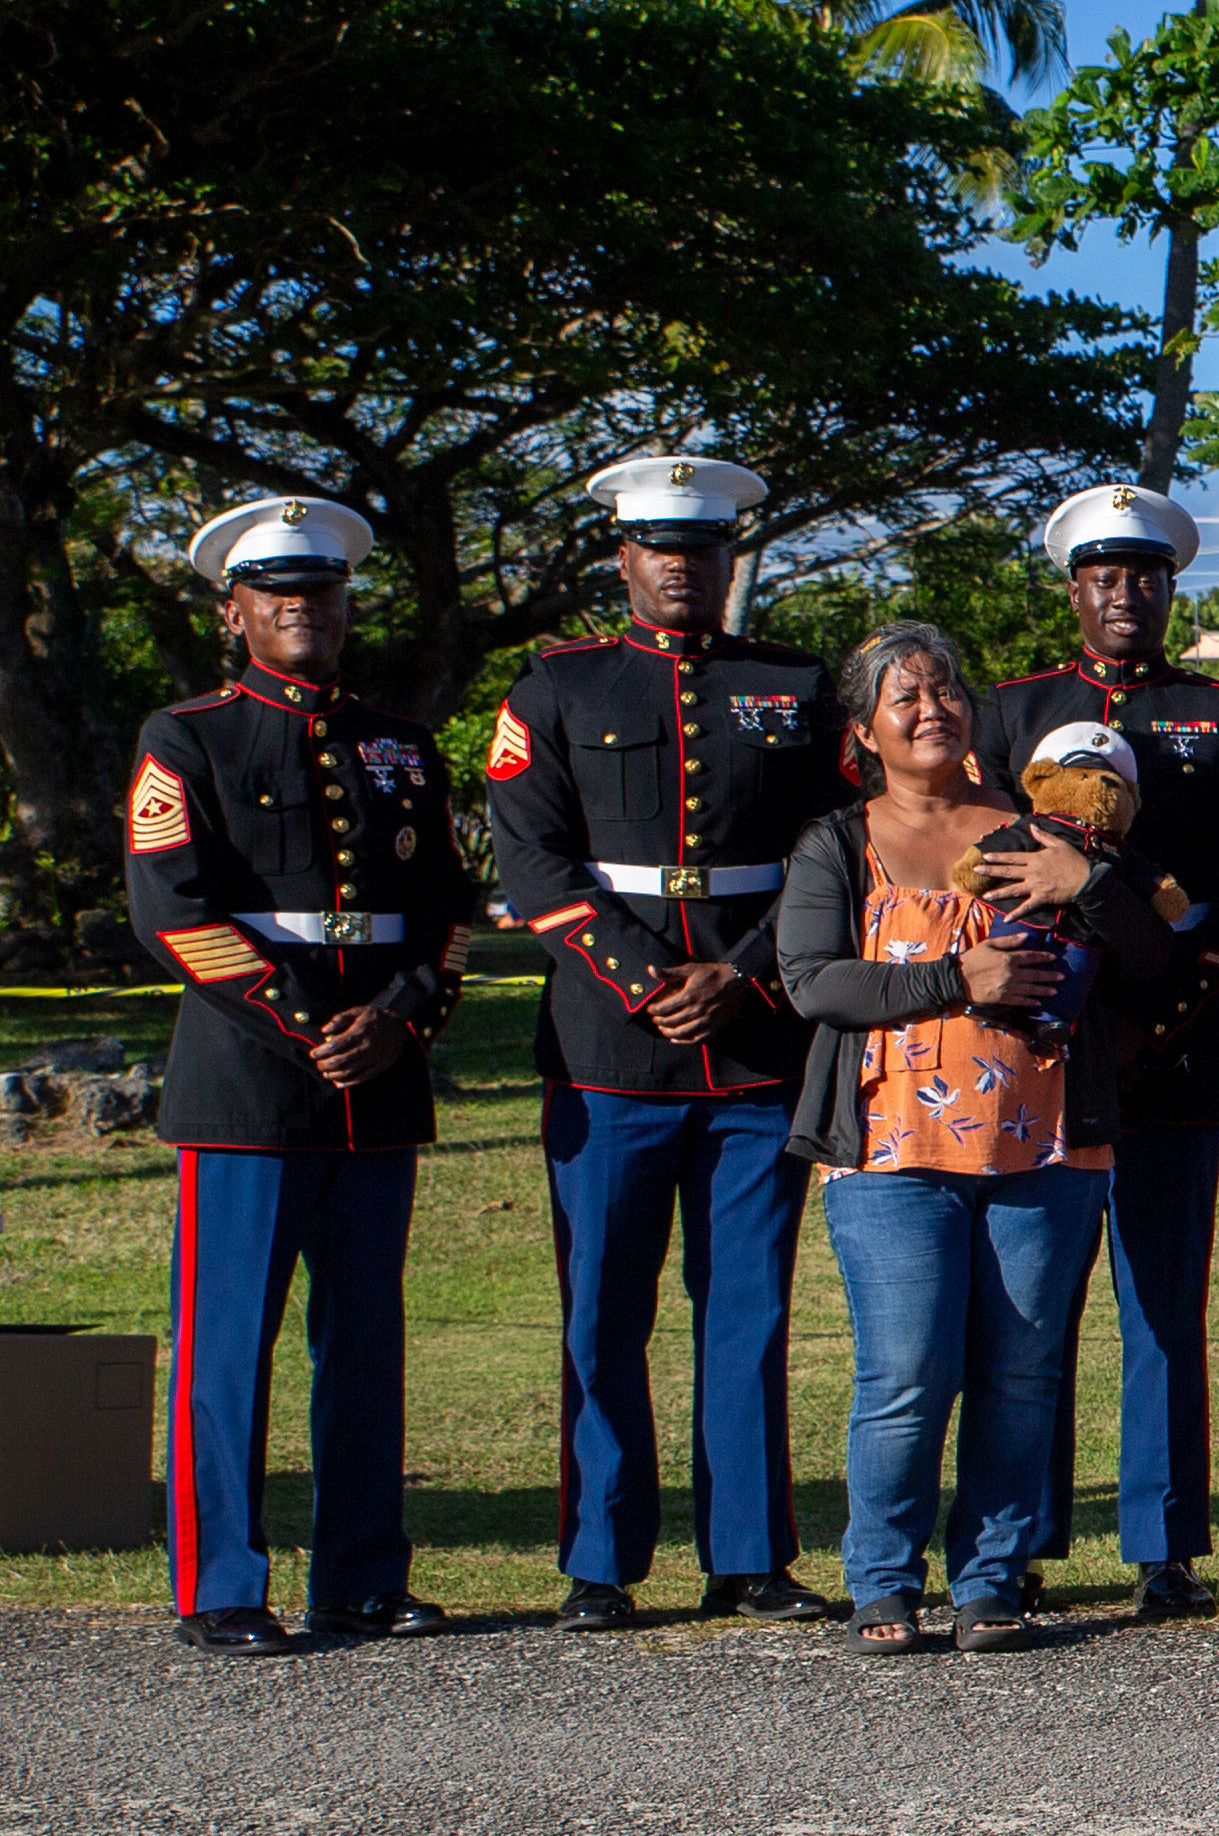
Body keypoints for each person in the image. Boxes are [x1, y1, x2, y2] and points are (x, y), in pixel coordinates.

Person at [487, 453, 877, 1632]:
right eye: (660, 549)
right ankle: (599, 1559)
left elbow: (840, 843)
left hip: (757, 1045)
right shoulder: (555, 687)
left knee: (749, 1311)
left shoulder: (797, 684)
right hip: (612, 1046)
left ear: (728, 561)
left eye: (702, 550)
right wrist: (652, 979)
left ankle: (750, 1554)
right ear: (623, 559)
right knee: (602, 1308)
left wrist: (748, 970)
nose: (681, 568)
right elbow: (533, 861)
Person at [127, 497, 482, 1654]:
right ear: (235, 614)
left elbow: (446, 911)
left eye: (321, 593)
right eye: (277, 594)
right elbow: (171, 910)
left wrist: (398, 1020)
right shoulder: (187, 737)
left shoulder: (403, 742)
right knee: (228, 1348)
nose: (303, 609)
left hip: (376, 1078)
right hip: (247, 1079)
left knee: (366, 1343)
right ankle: (219, 1585)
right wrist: (303, 1019)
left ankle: (363, 1577)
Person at [778, 623, 1175, 1654]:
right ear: (864, 729)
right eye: (904, 696)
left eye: (947, 690)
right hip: (892, 1153)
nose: (931, 709)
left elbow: (1151, 956)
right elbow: (815, 981)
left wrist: (1083, 886)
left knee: (1022, 1373)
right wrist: (958, 981)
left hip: (1045, 1149)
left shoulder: (1040, 828)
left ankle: (993, 1581)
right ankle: (882, 1582)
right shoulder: (838, 842)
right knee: (906, 1372)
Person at [976, 481, 1219, 1620]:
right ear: (1072, 588)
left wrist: (1158, 1029)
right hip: (1039, 1057)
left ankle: (1163, 1546)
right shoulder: (1012, 711)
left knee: (1164, 1302)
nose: (1124, 595)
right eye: (1103, 576)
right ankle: (1025, 1537)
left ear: (1169, 588)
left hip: (1175, 1051)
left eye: (1144, 577)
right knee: (1029, 1306)